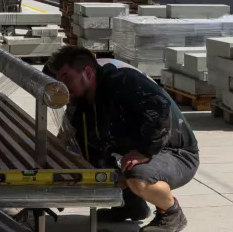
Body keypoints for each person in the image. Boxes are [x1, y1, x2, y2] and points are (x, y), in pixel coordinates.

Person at [46, 46, 198, 232]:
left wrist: (145, 150)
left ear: (86, 72)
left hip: (175, 153)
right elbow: (72, 141)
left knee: (137, 174)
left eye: (65, 77)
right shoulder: (84, 101)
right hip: (132, 152)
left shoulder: (123, 82)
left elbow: (161, 109)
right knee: (92, 163)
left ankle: (171, 213)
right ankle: (132, 206)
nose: (61, 86)